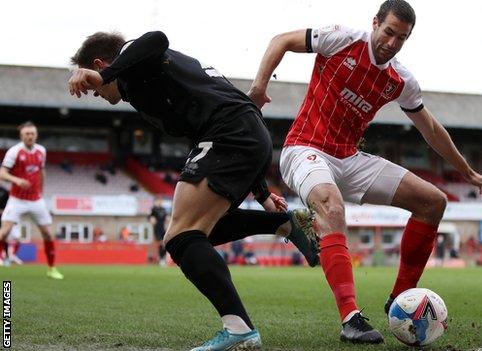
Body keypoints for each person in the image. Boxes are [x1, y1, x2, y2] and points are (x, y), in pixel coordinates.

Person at [249, 0, 482, 343]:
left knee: (433, 202)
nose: (392, 43)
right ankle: (351, 318)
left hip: (349, 159)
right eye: (389, 32)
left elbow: (431, 130)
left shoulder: (401, 80)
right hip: (304, 148)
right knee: (333, 208)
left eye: (402, 38)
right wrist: (259, 88)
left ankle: (401, 300)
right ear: (375, 23)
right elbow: (281, 40)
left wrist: (466, 171)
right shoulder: (341, 39)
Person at [68, 30, 320, 351]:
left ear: (100, 64)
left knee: (180, 237)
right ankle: (282, 223)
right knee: (197, 233)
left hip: (230, 134)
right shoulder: (152, 83)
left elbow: (157, 38)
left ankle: (239, 328)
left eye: (92, 86)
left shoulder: (136, 59)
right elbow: (216, 113)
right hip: (243, 134)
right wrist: (262, 194)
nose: (95, 92)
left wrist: (103, 75)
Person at [0, 122, 63, 279]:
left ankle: (51, 269)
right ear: (22, 136)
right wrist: (16, 180)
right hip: (17, 199)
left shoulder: (41, 151)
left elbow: (41, 172)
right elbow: (2, 173)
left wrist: (41, 192)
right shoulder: (14, 152)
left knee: (48, 234)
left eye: (32, 133)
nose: (30, 136)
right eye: (27, 134)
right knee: (4, 232)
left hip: (36, 200)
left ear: (36, 135)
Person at [149, 196, 169, 266]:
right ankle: (161, 259)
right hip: (157, 228)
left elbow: (166, 217)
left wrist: (168, 219)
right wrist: (151, 219)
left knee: (164, 244)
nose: (160, 202)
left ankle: (162, 258)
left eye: (161, 201)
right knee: (160, 243)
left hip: (163, 228)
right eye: (158, 201)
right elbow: (150, 217)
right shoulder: (153, 209)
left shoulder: (163, 209)